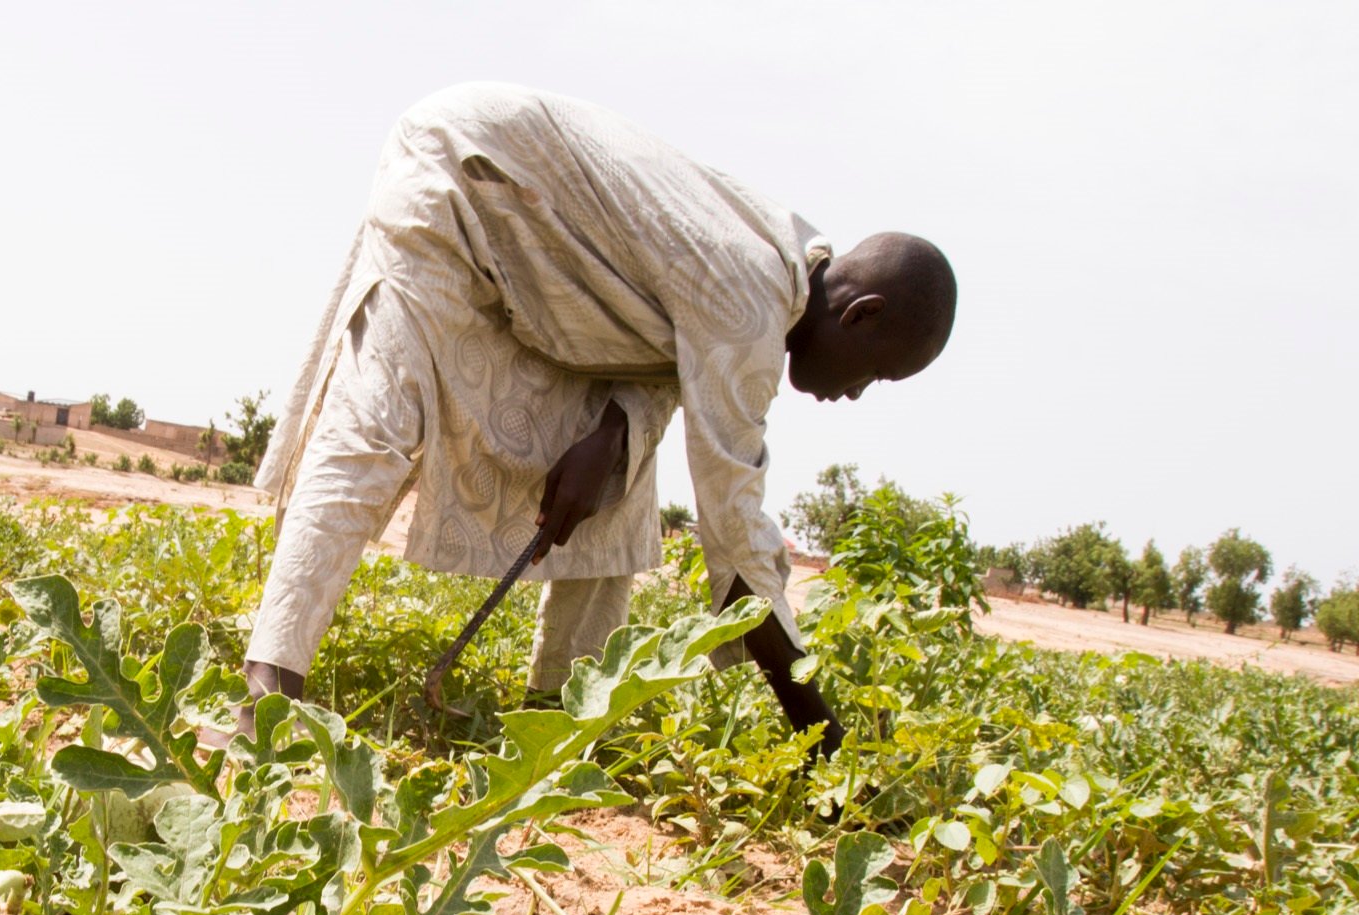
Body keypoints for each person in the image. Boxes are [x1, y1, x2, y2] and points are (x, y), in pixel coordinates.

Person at [240, 82, 957, 749]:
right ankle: (265, 698)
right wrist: (822, 740)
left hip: (532, 253)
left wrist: (610, 435)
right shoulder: (755, 294)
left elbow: (657, 327)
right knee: (376, 425)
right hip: (462, 177)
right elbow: (736, 534)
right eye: (876, 372)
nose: (857, 393)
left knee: (622, 477)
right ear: (862, 315)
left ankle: (556, 715)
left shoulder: (775, 258)